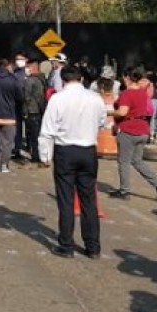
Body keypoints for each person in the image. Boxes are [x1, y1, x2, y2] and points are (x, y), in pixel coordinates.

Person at [39, 64, 106, 259]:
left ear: (63, 79)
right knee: (88, 200)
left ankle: (66, 245)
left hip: (65, 150)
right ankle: (93, 247)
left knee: (66, 199)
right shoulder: (95, 98)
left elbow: (48, 129)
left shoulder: (58, 99)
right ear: (81, 78)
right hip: (88, 150)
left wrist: (45, 156)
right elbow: (102, 121)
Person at [108, 67, 157, 201]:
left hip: (129, 129)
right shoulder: (143, 93)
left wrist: (107, 112)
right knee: (137, 160)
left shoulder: (127, 94)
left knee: (123, 161)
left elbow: (122, 112)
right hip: (143, 129)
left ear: (126, 77)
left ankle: (124, 190)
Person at [23, 58, 48, 166]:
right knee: (38, 134)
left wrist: (24, 110)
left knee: (33, 135)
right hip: (40, 110)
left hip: (32, 110)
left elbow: (26, 97)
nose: (26, 69)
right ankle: (37, 154)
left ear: (32, 67)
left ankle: (36, 156)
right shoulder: (42, 78)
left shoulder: (30, 80)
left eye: (27, 67)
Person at [12, 51, 28, 159]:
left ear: (26, 60)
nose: (19, 61)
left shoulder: (29, 72)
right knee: (17, 128)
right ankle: (17, 149)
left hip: (28, 104)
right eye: (17, 59)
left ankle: (31, 148)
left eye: (21, 59)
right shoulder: (15, 73)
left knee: (30, 129)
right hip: (17, 103)